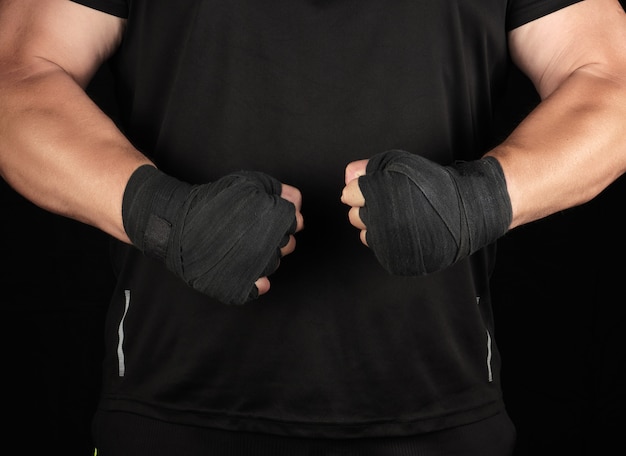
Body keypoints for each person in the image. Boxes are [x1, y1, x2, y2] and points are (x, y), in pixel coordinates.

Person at [1, 0, 625, 454]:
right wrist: (166, 219)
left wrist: (476, 203)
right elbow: (18, 76)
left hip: (439, 408)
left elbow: (609, 79)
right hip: (172, 409)